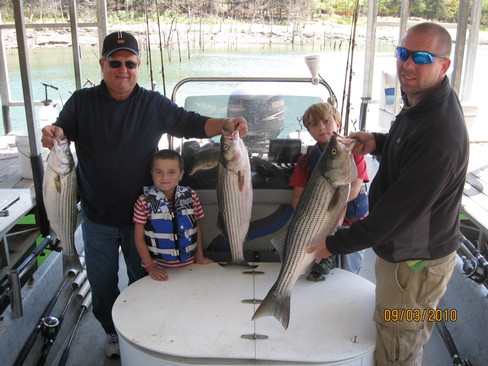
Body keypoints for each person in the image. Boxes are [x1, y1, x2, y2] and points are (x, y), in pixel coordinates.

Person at [40, 31, 247, 358]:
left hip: (146, 217)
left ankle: (147, 332)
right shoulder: (82, 101)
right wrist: (53, 133)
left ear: (138, 65)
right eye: (116, 62)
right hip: (97, 216)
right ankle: (112, 332)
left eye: (130, 63)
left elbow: (190, 123)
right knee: (103, 282)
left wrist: (226, 124)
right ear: (103, 64)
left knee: (146, 277)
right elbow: (62, 130)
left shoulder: (152, 103)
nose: (123, 69)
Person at [307, 23, 469, 366]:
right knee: (395, 332)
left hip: (414, 267)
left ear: (444, 65)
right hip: (404, 255)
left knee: (398, 346)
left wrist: (331, 245)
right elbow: (407, 144)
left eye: (422, 58)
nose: (407, 65)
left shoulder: (440, 135)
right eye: (403, 54)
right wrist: (379, 141)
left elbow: (392, 217)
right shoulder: (422, 101)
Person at [289, 102, 369, 280]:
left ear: (338, 123)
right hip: (318, 225)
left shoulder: (353, 153)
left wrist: (333, 209)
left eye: (326, 121)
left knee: (348, 275)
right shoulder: (305, 161)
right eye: (314, 124)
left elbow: (355, 189)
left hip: (350, 227)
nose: (321, 127)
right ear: (308, 131)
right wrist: (313, 215)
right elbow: (297, 197)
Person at [133, 149, 212, 281]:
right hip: (159, 269)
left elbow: (195, 228)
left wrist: (200, 257)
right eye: (159, 172)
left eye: (171, 172)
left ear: (181, 174)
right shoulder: (143, 202)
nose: (165, 178)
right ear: (152, 174)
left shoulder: (191, 196)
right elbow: (139, 237)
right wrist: (150, 267)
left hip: (189, 265)